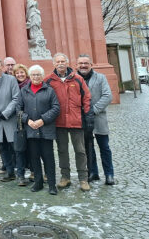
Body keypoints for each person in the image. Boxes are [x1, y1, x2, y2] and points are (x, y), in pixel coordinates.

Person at [46, 53, 92, 192]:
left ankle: (83, 178)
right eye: (58, 61)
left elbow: (87, 98)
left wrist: (87, 116)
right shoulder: (49, 80)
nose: (60, 64)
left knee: (80, 150)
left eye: (63, 61)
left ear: (67, 62)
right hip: (59, 122)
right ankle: (65, 177)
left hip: (76, 121)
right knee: (62, 151)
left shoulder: (77, 79)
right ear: (54, 64)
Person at [17, 65, 60, 195]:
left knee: (48, 158)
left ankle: (52, 185)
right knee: (34, 158)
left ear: (42, 76)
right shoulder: (24, 91)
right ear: (30, 76)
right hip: (30, 130)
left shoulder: (49, 90)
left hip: (46, 130)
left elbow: (56, 108)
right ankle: (38, 182)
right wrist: (27, 120)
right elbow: (18, 109)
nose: (36, 77)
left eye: (38, 75)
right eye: (33, 75)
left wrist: (42, 120)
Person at [76, 54, 115, 185]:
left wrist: (92, 110)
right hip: (82, 119)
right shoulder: (74, 79)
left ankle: (109, 174)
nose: (83, 65)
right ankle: (93, 172)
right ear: (77, 65)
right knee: (88, 147)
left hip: (98, 118)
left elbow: (107, 96)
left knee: (104, 147)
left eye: (86, 63)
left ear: (91, 64)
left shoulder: (100, 77)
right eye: (80, 63)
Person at [13, 64, 31, 186]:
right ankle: (20, 175)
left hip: (31, 121)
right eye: (17, 73)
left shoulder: (31, 84)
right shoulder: (13, 86)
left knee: (33, 149)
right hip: (19, 122)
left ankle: (35, 171)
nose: (20, 75)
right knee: (19, 149)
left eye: (22, 72)